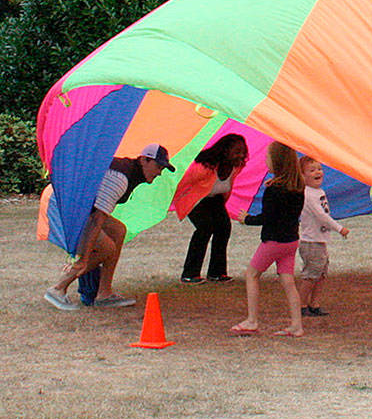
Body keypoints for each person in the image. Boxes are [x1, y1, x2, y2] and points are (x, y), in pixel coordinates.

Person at [43, 143, 175, 310]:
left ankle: (104, 294)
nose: (159, 172)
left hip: (80, 207)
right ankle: (58, 289)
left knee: (119, 231)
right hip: (63, 205)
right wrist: (83, 257)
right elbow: (97, 219)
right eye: (158, 166)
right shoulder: (120, 178)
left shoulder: (130, 173)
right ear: (144, 160)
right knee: (106, 248)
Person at [230, 142, 306, 337]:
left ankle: (252, 320)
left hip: (274, 241)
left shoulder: (274, 190)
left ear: (277, 162)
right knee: (288, 281)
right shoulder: (298, 187)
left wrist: (247, 219)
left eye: (267, 158)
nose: (265, 161)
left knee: (252, 275)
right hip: (291, 241)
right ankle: (297, 325)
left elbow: (268, 217)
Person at [173, 133, 248, 283]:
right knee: (205, 228)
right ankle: (190, 274)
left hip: (216, 199)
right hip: (196, 200)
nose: (241, 156)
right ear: (225, 152)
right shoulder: (204, 167)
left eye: (243, 152)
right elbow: (181, 183)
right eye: (237, 152)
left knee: (224, 228)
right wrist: (176, 202)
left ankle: (217, 273)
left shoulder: (236, 166)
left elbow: (227, 186)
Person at [297, 155, 349, 317]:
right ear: (302, 176)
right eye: (311, 170)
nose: (317, 172)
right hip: (310, 242)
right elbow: (321, 216)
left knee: (321, 274)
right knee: (311, 275)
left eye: (319, 169)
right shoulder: (307, 194)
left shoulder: (319, 192)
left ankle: (315, 303)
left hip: (320, 241)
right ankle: (301, 304)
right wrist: (339, 228)